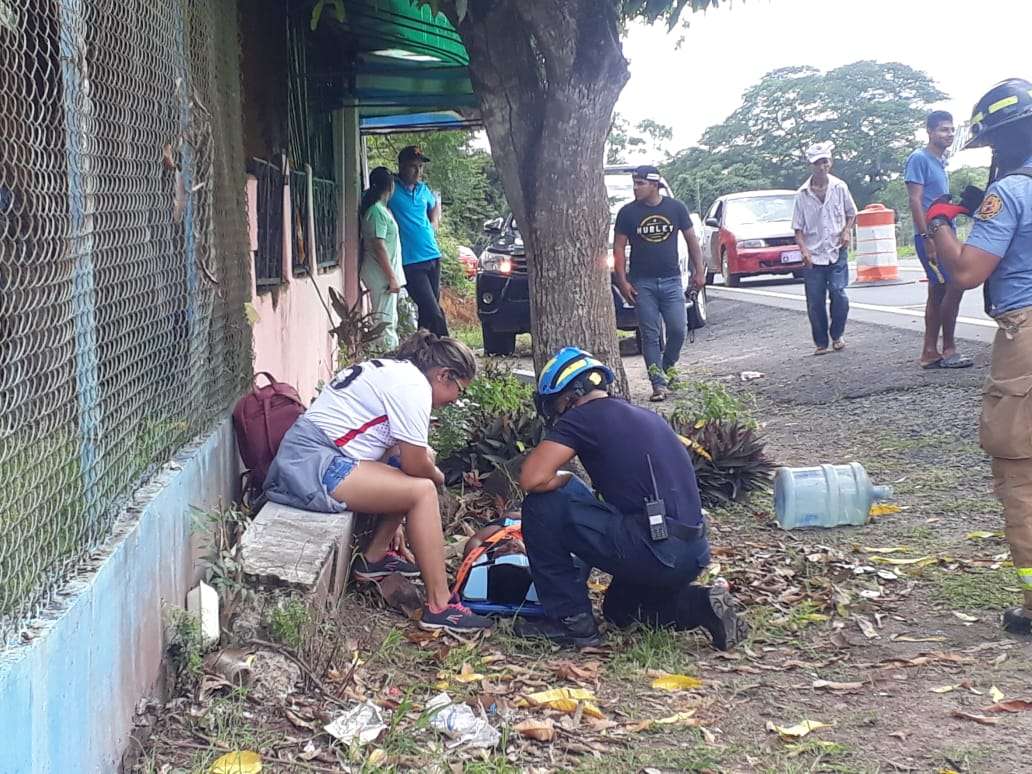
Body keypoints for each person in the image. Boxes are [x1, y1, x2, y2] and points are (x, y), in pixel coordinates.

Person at [512, 347, 747, 648]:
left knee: (543, 504)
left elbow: (532, 478)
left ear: (570, 396)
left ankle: (570, 622)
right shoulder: (645, 415)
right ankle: (702, 605)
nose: (555, 410)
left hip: (653, 548)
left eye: (555, 402)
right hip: (692, 552)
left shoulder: (580, 418)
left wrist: (566, 478)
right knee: (620, 611)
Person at [262, 331, 492, 633]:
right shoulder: (413, 387)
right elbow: (416, 465)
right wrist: (438, 477)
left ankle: (374, 557)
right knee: (423, 488)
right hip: (312, 465)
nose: (455, 401)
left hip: (315, 458)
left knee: (412, 470)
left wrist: (395, 518)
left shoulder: (394, 372)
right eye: (459, 391)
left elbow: (390, 454)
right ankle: (440, 605)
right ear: (443, 375)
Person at [924, 78, 1032, 637]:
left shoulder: (1010, 192)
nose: (992, 155)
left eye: (993, 143)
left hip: (1027, 334)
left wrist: (942, 221)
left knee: (1020, 472)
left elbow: (965, 272)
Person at [613, 165, 705, 402]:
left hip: (672, 280)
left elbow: (692, 240)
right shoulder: (627, 213)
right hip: (642, 282)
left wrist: (699, 271)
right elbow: (619, 249)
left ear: (654, 185)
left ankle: (667, 366)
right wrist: (622, 281)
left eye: (640, 183)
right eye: (634, 183)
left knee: (678, 329)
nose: (635, 188)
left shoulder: (675, 208)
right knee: (650, 334)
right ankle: (658, 384)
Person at [905, 111, 973, 370]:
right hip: (932, 236)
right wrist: (927, 239)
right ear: (930, 132)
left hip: (945, 232)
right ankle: (949, 348)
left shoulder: (941, 162)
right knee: (953, 287)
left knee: (938, 291)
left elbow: (937, 202)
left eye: (952, 130)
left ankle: (930, 351)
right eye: (944, 129)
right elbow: (915, 200)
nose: (949, 134)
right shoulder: (919, 159)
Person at [792, 142, 858, 355]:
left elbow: (851, 212)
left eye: (825, 162)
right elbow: (798, 228)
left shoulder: (840, 187)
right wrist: (804, 250)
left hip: (836, 248)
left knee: (839, 293)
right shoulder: (802, 194)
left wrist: (846, 231)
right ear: (811, 165)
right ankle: (821, 342)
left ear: (830, 162)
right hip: (813, 252)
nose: (822, 166)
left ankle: (837, 334)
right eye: (818, 163)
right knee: (815, 300)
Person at [388, 145, 449, 337]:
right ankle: (450, 350)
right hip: (411, 261)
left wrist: (433, 222)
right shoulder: (391, 188)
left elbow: (435, 205)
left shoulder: (423, 189)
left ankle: (424, 354)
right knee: (433, 311)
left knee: (427, 314)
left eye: (420, 167)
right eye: (413, 166)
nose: (418, 171)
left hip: (432, 255)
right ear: (402, 166)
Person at [360, 167, 404, 350]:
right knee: (385, 321)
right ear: (390, 186)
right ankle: (387, 355)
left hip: (384, 272)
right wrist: (391, 277)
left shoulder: (380, 209)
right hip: (381, 274)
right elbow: (379, 245)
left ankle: (386, 353)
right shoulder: (377, 211)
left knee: (388, 317)